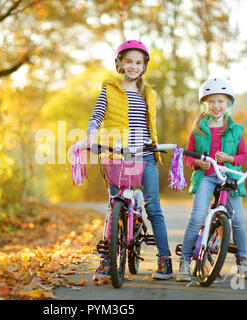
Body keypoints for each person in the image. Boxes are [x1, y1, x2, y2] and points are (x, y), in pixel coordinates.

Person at [83, 40, 173, 281]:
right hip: (117, 153)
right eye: (129, 61)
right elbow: (97, 116)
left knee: (153, 206)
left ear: (144, 66)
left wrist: (155, 145)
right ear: (120, 63)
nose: (133, 66)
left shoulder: (149, 93)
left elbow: (149, 126)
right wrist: (91, 135)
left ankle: (165, 261)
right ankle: (106, 261)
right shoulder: (109, 89)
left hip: (144, 153)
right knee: (114, 204)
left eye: (138, 62)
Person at [176, 77, 247, 282]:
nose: (216, 106)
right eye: (211, 101)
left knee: (237, 220)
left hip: (229, 178)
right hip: (207, 176)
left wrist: (229, 159)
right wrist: (197, 164)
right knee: (197, 218)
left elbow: (244, 156)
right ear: (204, 103)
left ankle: (243, 261)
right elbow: (188, 155)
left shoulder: (236, 129)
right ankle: (184, 262)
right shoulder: (198, 128)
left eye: (220, 101)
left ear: (228, 103)